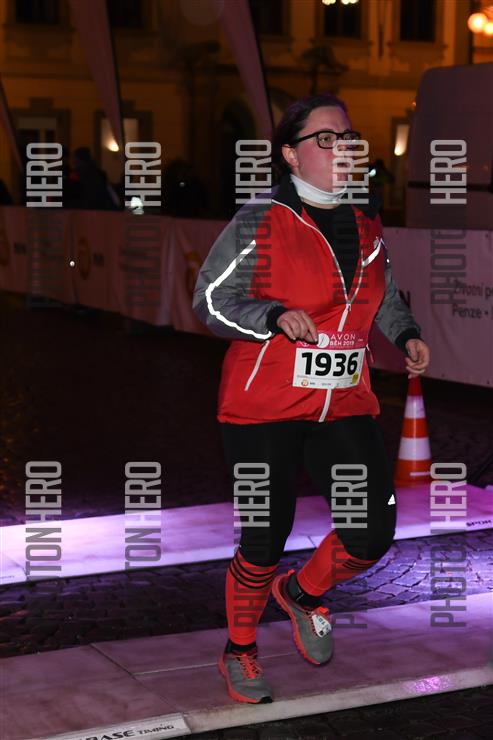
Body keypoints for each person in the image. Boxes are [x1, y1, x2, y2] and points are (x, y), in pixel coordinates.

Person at [192, 93, 430, 704]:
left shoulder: (366, 222)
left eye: (347, 137)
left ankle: (301, 594)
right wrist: (272, 315)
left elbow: (385, 295)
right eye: (325, 139)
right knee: (264, 538)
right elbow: (210, 299)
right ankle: (239, 650)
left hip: (343, 403)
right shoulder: (262, 218)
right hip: (262, 406)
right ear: (292, 155)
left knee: (371, 531)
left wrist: (405, 333)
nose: (342, 147)